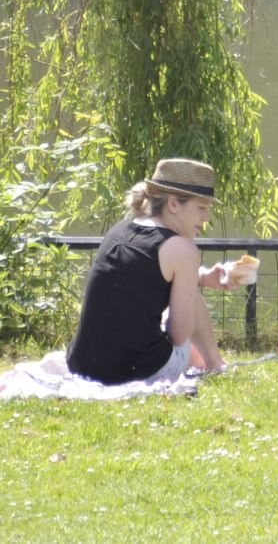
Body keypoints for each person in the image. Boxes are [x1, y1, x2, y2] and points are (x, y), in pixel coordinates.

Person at [65, 157, 255, 384]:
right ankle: (215, 364)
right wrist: (191, 283)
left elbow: (142, 279)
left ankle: (210, 363)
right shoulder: (183, 249)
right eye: (201, 208)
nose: (206, 218)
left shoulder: (121, 229)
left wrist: (201, 277)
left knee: (185, 291)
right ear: (173, 204)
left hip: (82, 366)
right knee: (188, 296)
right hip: (135, 370)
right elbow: (179, 335)